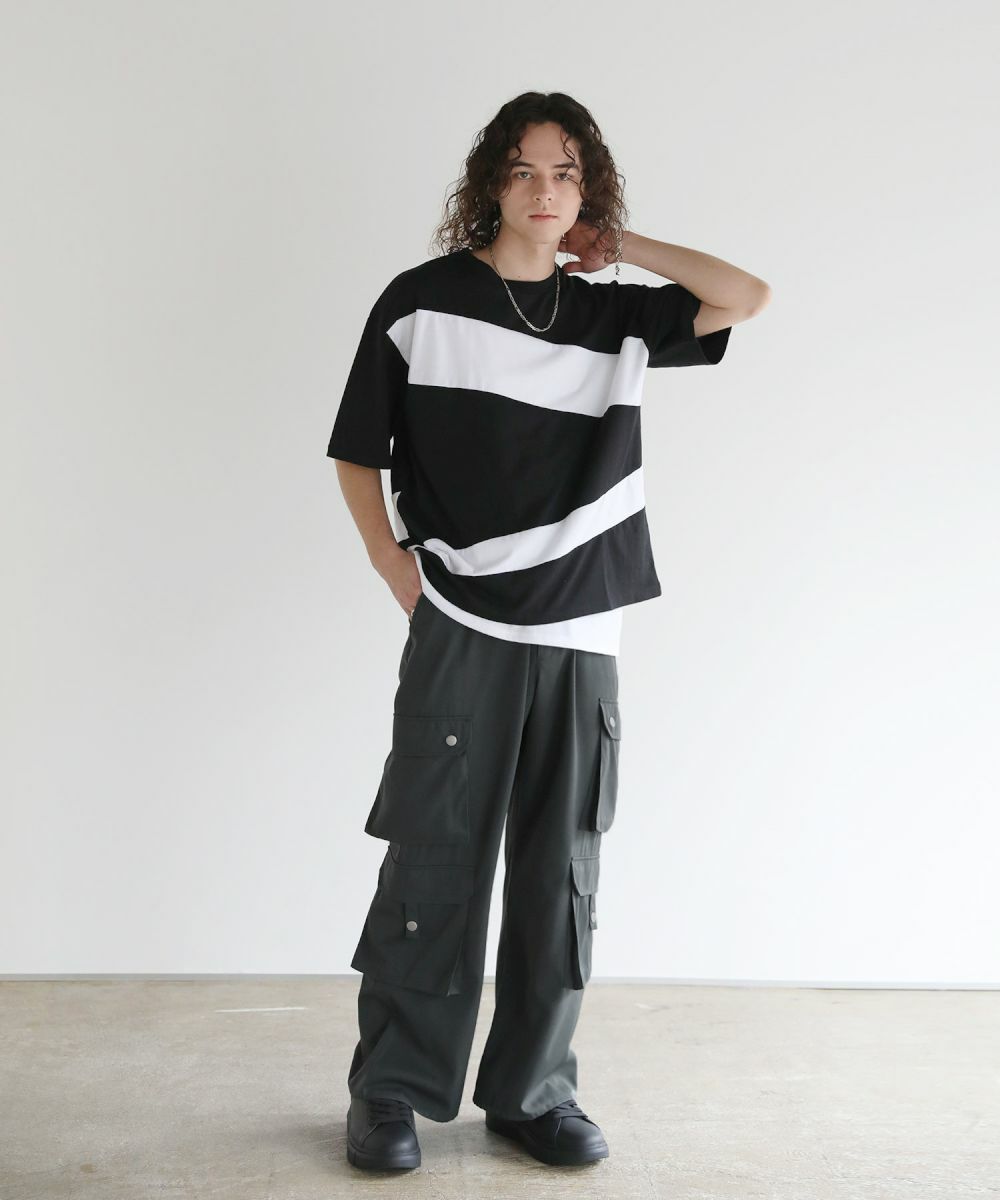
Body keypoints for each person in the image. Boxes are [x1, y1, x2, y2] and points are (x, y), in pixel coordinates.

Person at [328, 91, 771, 1172]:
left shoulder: (614, 315)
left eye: (566, 173)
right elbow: (356, 449)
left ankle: (533, 1095)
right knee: (434, 858)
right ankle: (391, 1091)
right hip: (460, 617)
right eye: (524, 170)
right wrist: (392, 565)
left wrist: (619, 248)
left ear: (588, 191)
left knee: (558, 875)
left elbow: (746, 296)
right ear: (491, 181)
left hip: (582, 628)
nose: (543, 191)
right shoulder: (422, 302)